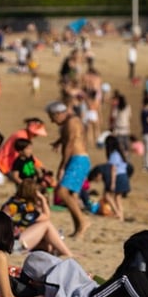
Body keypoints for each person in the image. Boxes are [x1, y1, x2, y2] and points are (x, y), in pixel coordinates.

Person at [47, 101, 91, 239]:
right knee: (70, 195)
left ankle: (83, 221)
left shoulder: (72, 122)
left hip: (78, 160)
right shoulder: (71, 122)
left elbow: (71, 142)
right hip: (78, 160)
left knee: (61, 191)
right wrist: (59, 141)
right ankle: (78, 226)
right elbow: (71, 136)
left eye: (52, 117)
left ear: (59, 114)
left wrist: (62, 165)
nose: (52, 121)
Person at [1, 178, 74, 258]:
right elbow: (46, 216)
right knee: (46, 225)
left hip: (7, 243)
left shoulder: (12, 202)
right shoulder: (25, 207)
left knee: (48, 244)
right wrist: (43, 200)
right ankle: (68, 254)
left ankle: (56, 251)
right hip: (14, 246)